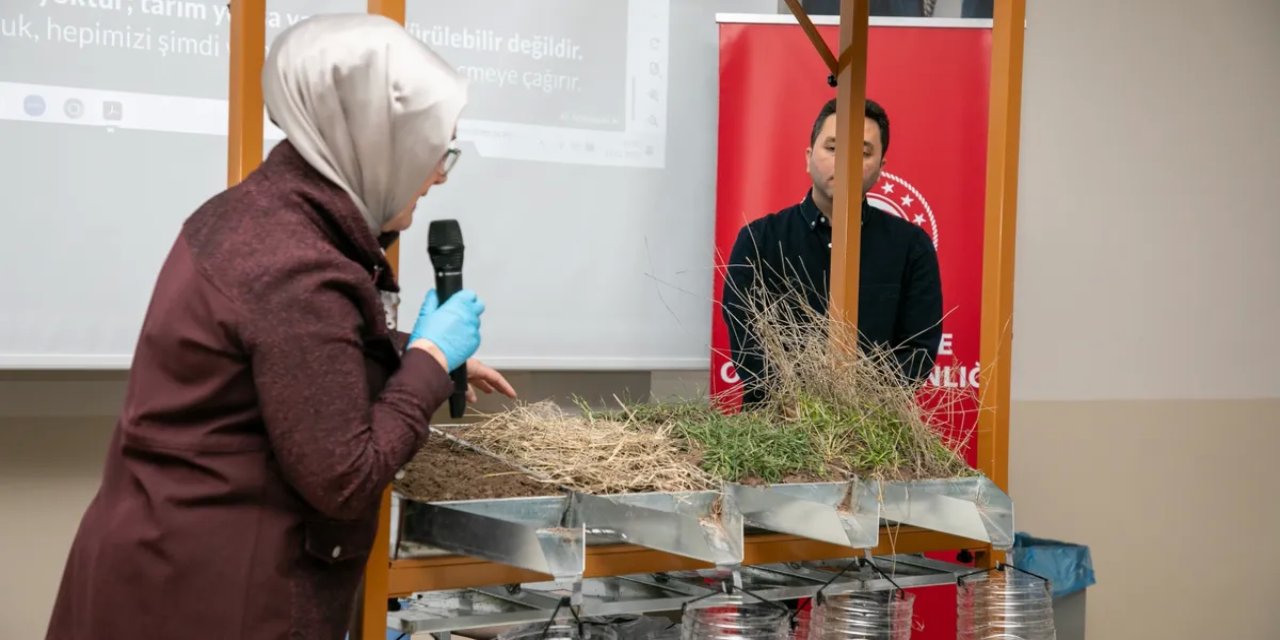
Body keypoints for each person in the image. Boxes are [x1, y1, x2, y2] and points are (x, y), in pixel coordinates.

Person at [45, 14, 515, 640]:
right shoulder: (292, 265)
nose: (437, 176)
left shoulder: (256, 214)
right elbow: (345, 479)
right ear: (376, 142)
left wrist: (396, 351)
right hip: (213, 599)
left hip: (165, 565)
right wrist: (428, 361)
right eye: (436, 152)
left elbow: (280, 354)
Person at [721, 98, 943, 407]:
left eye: (863, 153)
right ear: (809, 157)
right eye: (832, 148)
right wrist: (802, 407)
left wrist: (857, 408)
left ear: (881, 168)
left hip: (872, 432)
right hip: (773, 430)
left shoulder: (911, 247)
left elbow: (918, 349)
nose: (846, 161)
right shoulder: (759, 240)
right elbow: (747, 340)